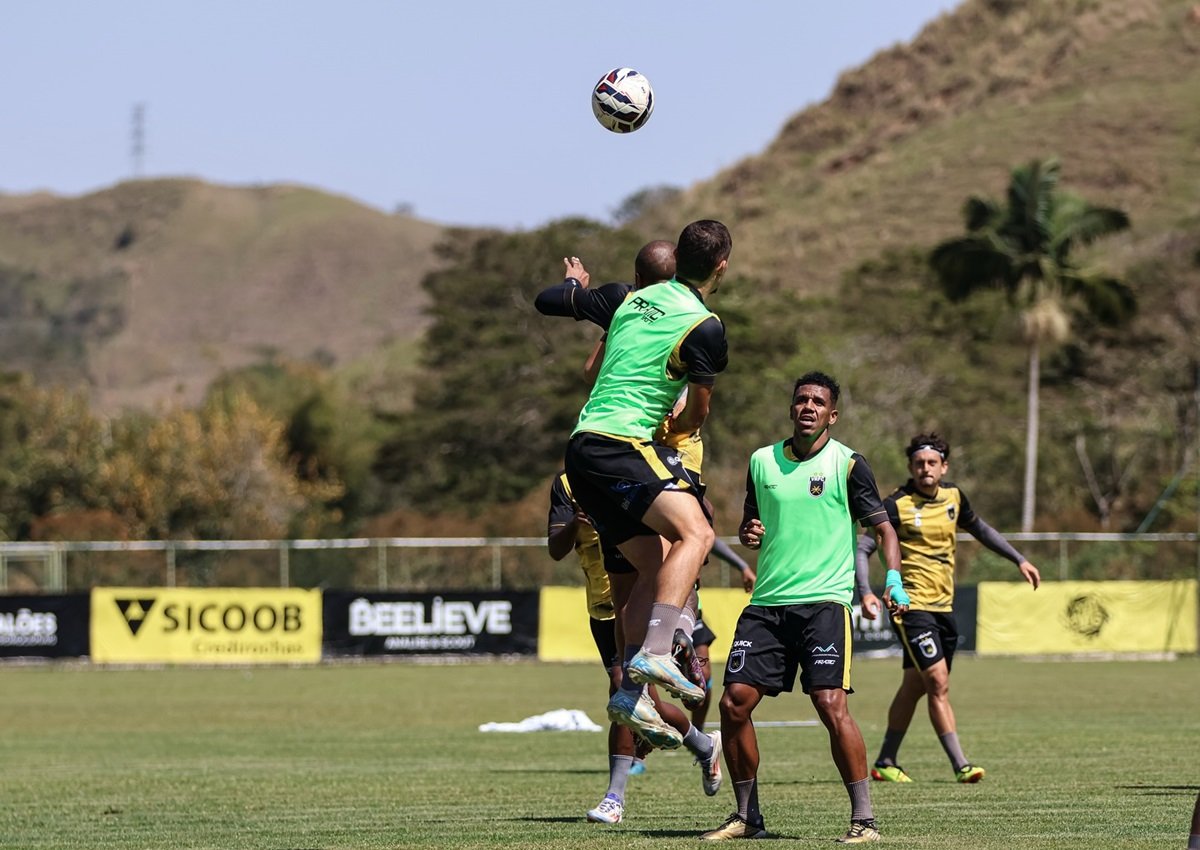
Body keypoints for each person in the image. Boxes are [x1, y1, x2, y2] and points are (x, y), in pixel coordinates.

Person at [535, 220, 732, 746]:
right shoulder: (704, 326)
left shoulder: (628, 297)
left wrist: (577, 288)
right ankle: (658, 652)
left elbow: (546, 301)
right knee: (697, 535)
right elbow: (696, 418)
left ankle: (629, 693)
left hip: (581, 451)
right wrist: (673, 426)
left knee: (653, 563)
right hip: (621, 446)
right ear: (721, 267)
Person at [702, 372, 901, 844]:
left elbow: (884, 529)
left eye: (818, 402)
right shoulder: (761, 461)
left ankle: (864, 821)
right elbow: (753, 523)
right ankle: (748, 817)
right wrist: (749, 532)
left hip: (825, 604)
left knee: (831, 705)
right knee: (733, 704)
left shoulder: (849, 464)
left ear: (832, 414)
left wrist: (892, 579)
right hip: (768, 603)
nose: (808, 407)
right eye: (801, 400)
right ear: (791, 409)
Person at [858, 432, 1041, 785]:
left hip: (945, 607)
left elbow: (982, 530)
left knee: (915, 686)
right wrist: (866, 590)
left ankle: (885, 761)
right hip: (910, 607)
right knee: (938, 683)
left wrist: (1019, 559)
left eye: (931, 463)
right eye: (918, 464)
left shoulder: (954, 497)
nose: (925, 469)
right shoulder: (896, 504)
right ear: (910, 467)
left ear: (944, 466)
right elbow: (864, 548)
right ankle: (961, 764)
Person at [547, 470, 723, 823]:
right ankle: (704, 745)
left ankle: (614, 798)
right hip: (603, 610)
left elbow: (703, 508)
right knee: (644, 703)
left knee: (621, 691)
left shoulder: (640, 464)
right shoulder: (569, 482)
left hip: (648, 602)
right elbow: (555, 549)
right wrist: (576, 524)